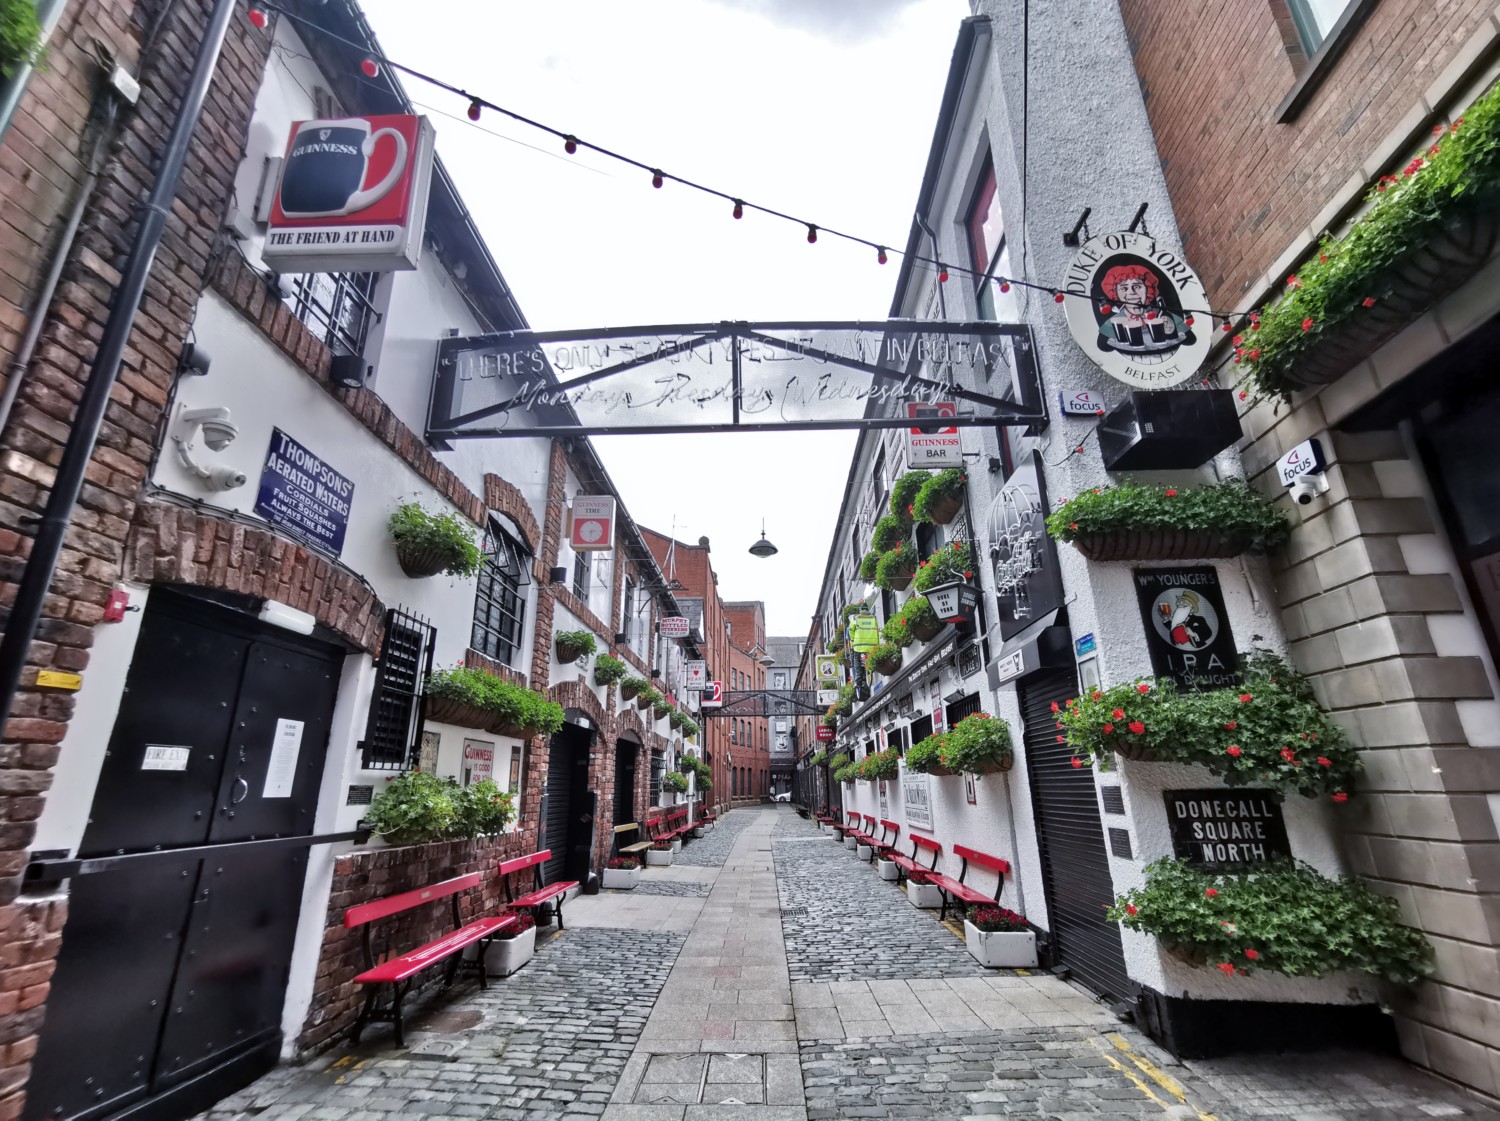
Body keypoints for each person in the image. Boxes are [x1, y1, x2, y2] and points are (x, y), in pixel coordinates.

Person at [1097, 263, 1187, 356]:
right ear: (1116, 294)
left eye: (1136, 287)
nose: (1131, 293)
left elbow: (1189, 339)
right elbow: (1103, 346)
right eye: (1124, 288)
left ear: (1148, 289)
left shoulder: (1162, 315)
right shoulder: (1116, 322)